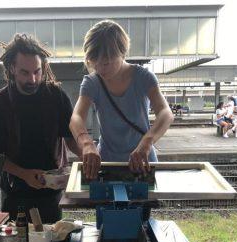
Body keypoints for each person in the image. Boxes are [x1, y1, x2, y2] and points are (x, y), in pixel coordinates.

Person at [0, 34, 81, 242]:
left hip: (51, 188)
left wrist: (89, 153)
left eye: (38, 71)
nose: (33, 78)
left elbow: (70, 139)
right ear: (11, 69)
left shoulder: (56, 97)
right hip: (15, 187)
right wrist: (25, 174)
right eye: (25, 72)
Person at [69, 20, 173, 179]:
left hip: (142, 160)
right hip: (107, 162)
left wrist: (147, 142)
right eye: (94, 63)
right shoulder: (92, 82)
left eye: (106, 63)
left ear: (122, 53)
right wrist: (87, 144)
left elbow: (165, 112)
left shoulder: (144, 77)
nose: (100, 69)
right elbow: (76, 118)